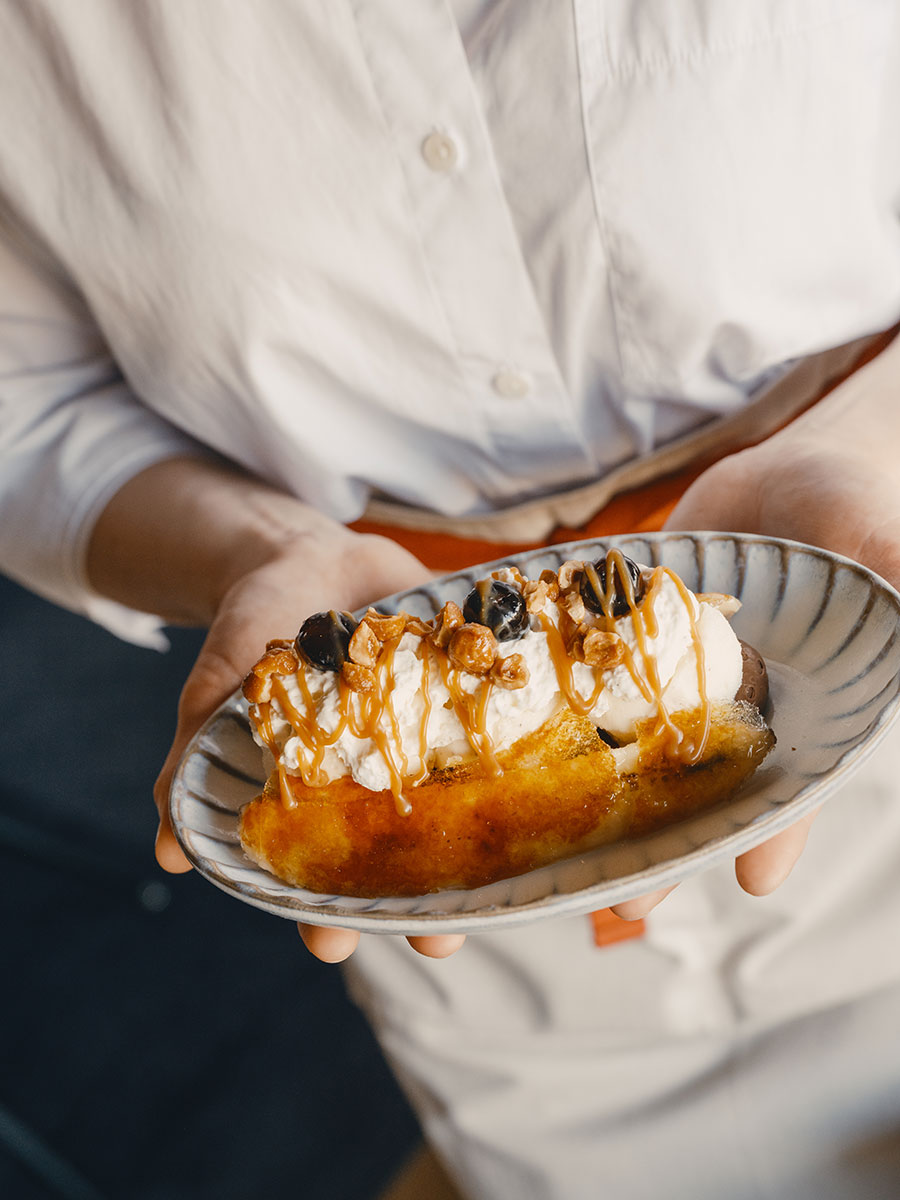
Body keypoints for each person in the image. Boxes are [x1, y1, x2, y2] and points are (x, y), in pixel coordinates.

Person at [2, 3, 899, 1197]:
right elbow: (23, 399)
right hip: (410, 788)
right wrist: (259, 550)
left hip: (850, 604)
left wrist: (867, 449)